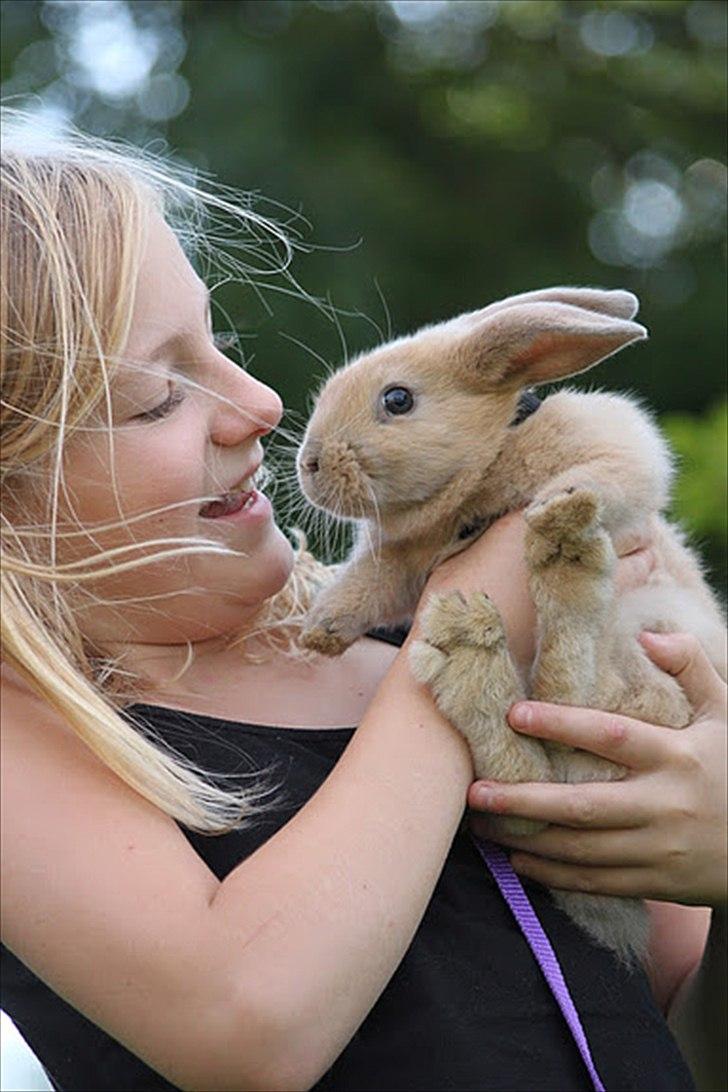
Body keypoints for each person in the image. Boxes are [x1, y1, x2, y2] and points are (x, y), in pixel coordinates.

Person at [1, 111, 725, 1092]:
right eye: (158, 397)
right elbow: (249, 1022)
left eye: (220, 340)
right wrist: (460, 643)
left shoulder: (382, 614)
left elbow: (655, 985)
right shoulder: (28, 736)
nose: (260, 402)